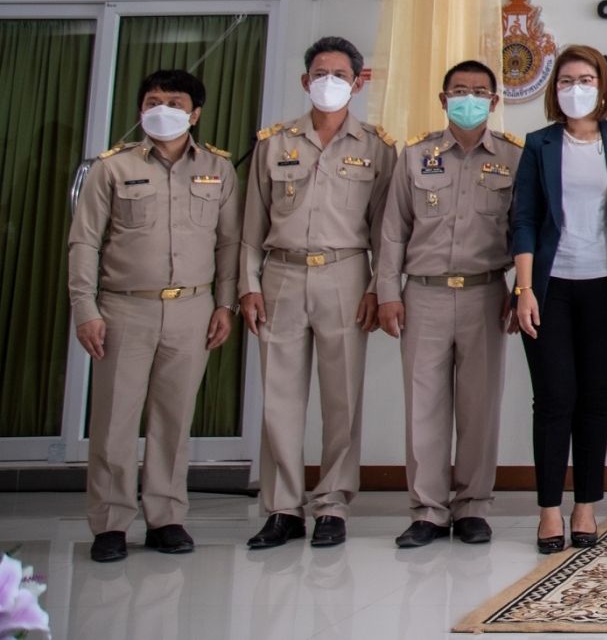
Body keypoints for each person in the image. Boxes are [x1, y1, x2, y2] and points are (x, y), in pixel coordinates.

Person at [69, 69, 241, 563]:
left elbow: (230, 242)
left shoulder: (218, 168)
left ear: (195, 113)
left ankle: (166, 518)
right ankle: (110, 523)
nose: (161, 109)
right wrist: (85, 308)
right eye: (152, 101)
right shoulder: (112, 167)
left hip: (193, 308)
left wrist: (225, 304)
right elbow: (84, 242)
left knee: (173, 419)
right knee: (114, 421)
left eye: (174, 102)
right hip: (125, 307)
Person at [242, 36, 397, 550]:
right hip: (281, 275)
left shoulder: (377, 147)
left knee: (342, 399)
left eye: (339, 74)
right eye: (320, 73)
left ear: (358, 82)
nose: (328, 82)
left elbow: (386, 229)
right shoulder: (273, 143)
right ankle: (282, 508)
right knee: (279, 400)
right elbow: (250, 225)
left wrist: (377, 286)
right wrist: (247, 285)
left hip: (345, 274)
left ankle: (332, 504)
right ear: (305, 80)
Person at [375, 61, 520, 548]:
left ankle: (473, 506)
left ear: (494, 102)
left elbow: (526, 230)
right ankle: (428, 510)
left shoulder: (514, 157)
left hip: (487, 293)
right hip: (424, 294)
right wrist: (387, 293)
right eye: (459, 91)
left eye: (479, 92)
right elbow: (393, 231)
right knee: (424, 407)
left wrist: (521, 290)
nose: (469, 99)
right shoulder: (416, 155)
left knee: (481, 406)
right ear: (443, 99)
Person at [512, 46, 607, 553]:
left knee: (593, 399)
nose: (576, 88)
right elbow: (524, 218)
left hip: (606, 287)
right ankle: (549, 510)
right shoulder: (539, 143)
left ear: (602, 86)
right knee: (553, 400)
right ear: (555, 90)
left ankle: (586, 505)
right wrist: (524, 289)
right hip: (548, 288)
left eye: (585, 79)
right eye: (566, 80)